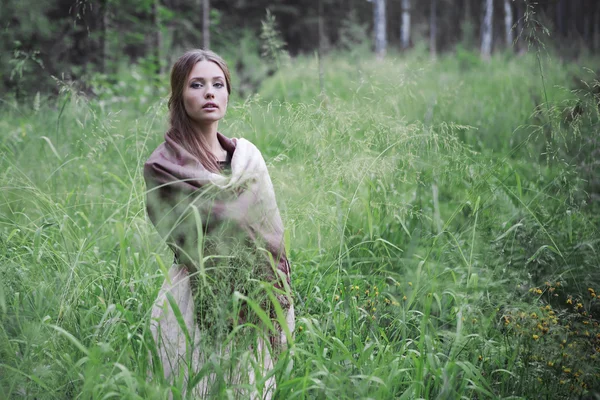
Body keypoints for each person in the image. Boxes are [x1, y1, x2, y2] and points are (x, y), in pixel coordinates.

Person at [143, 49, 294, 399]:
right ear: (180, 95)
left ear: (228, 94)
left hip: (255, 297)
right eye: (197, 84)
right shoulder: (163, 166)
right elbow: (185, 235)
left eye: (218, 84)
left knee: (250, 388)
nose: (209, 92)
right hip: (194, 301)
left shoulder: (248, 158)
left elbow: (271, 230)